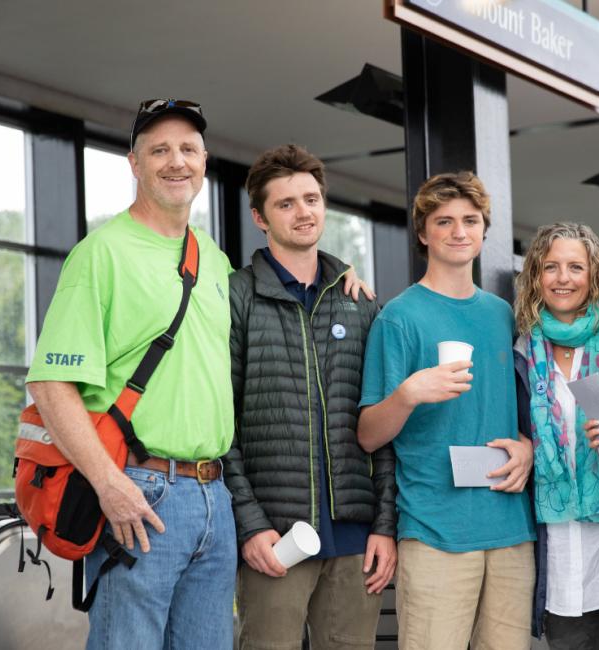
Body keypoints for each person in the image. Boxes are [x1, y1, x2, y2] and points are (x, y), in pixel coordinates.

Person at [26, 99, 239, 649]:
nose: (176, 161)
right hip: (139, 492)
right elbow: (52, 385)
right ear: (134, 163)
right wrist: (109, 483)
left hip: (214, 497)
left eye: (188, 149)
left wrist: (342, 275)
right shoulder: (100, 255)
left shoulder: (213, 259)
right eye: (159, 150)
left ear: (205, 162)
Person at [222, 143, 397, 649]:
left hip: (355, 538)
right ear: (259, 216)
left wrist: (383, 525)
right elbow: (220, 425)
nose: (304, 212)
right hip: (276, 539)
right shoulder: (236, 297)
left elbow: (381, 428)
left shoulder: (359, 303)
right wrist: (250, 525)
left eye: (312, 199)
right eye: (286, 203)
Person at [357, 171, 536, 650]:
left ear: (483, 231)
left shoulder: (503, 314)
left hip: (511, 529)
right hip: (435, 528)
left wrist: (529, 450)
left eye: (471, 220)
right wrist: (409, 393)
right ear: (423, 233)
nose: (459, 231)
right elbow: (369, 434)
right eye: (444, 221)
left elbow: (528, 411)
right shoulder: (399, 317)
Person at [513, 223, 599, 650]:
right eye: (551, 267)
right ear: (536, 276)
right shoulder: (520, 351)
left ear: (594, 275)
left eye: (575, 267)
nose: (563, 278)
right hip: (556, 541)